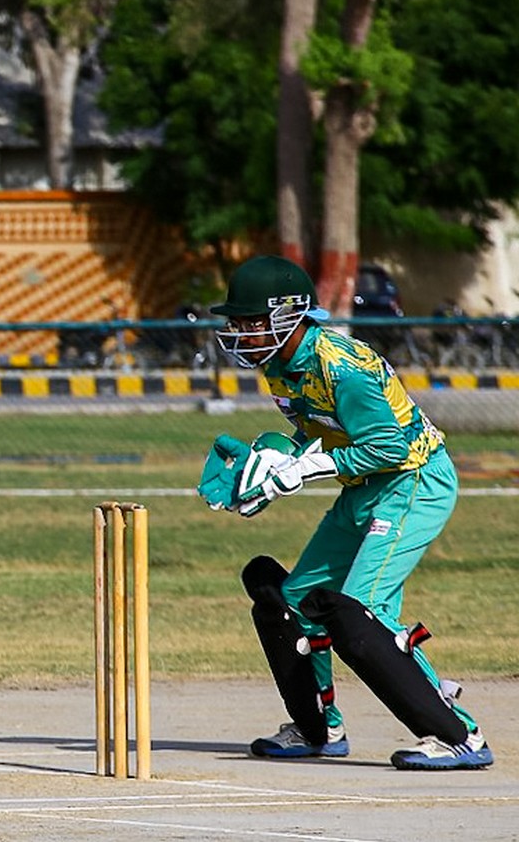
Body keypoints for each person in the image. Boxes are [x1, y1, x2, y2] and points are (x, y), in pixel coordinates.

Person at [200, 254, 492, 770]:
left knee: (362, 611)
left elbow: (390, 447)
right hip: (362, 487)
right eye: (238, 324)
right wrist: (276, 464)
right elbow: (317, 429)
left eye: (251, 323)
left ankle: (457, 735)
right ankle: (319, 728)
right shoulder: (279, 366)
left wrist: (308, 469)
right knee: (294, 602)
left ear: (288, 316)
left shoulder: (343, 365)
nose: (242, 334)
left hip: (413, 481)